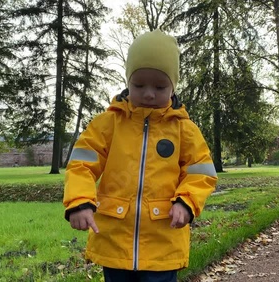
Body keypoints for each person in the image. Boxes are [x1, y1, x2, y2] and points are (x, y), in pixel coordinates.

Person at [63, 29, 217, 282]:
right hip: (114, 240)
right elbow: (81, 165)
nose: (148, 93)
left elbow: (201, 173)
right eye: (138, 84)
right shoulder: (108, 123)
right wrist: (79, 202)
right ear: (127, 81)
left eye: (159, 86)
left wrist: (186, 202)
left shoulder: (183, 129)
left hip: (163, 242)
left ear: (173, 86)